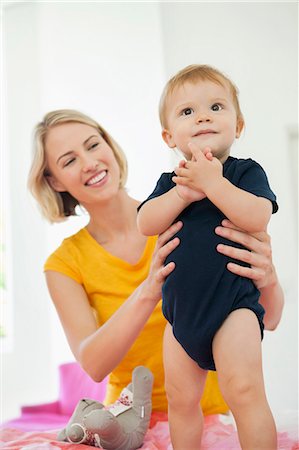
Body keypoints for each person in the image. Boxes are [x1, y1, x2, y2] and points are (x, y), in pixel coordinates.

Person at [28, 108, 284, 435]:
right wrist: (149, 289)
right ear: (53, 180)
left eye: (93, 145)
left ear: (109, 146)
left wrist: (269, 278)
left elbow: (271, 320)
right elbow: (93, 364)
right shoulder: (64, 262)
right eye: (69, 160)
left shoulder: (196, 207)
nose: (89, 162)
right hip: (130, 422)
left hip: (213, 418)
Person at [137, 64, 280, 449]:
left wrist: (213, 183)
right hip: (180, 315)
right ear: (169, 137)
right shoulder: (171, 183)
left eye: (216, 107)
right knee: (181, 402)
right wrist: (183, 194)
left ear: (238, 125)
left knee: (245, 391)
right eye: (187, 112)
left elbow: (258, 216)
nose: (202, 116)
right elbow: (145, 223)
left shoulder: (244, 173)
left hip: (234, 308)